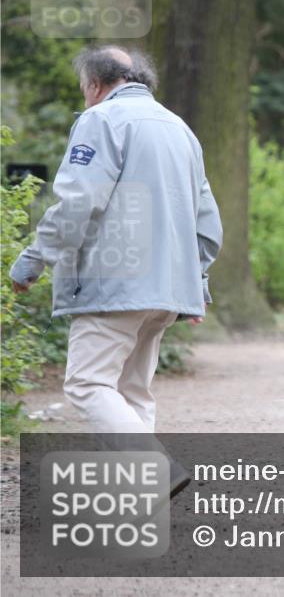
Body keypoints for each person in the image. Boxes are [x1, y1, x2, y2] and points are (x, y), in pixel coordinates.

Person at [9, 46, 222, 467]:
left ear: (95, 84)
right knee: (132, 392)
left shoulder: (101, 119)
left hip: (113, 281)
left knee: (87, 384)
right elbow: (207, 218)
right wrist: (197, 280)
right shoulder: (180, 128)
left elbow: (79, 201)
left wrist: (34, 259)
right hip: (168, 288)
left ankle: (154, 469)